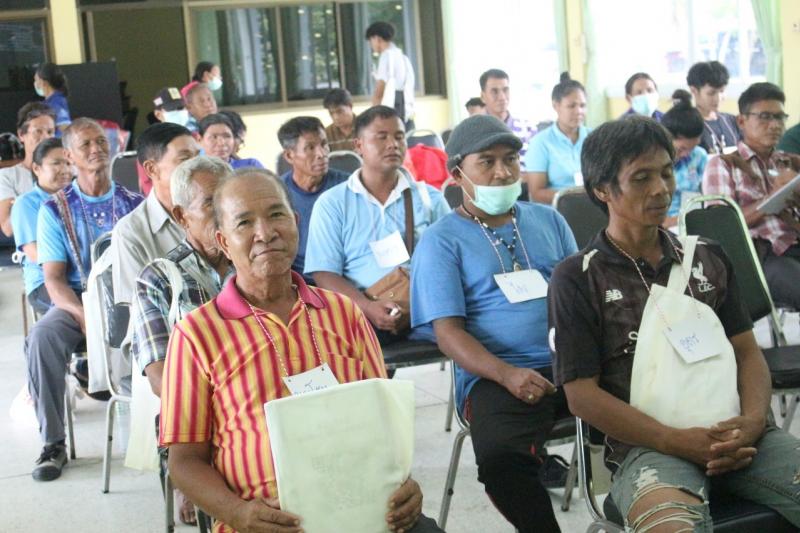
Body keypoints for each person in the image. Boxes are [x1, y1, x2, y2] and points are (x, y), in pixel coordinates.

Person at [549, 115, 800, 531]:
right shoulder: (579, 277)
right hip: (649, 448)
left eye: (666, 173)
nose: (661, 189)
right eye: (641, 178)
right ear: (602, 190)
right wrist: (674, 440)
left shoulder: (707, 257)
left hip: (739, 432)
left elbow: (746, 351)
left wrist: (755, 421)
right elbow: (581, 396)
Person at [159, 168, 444, 533]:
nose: (265, 233)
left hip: (365, 509)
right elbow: (184, 462)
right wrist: (238, 513)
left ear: (295, 222)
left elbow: (386, 426)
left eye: (276, 215)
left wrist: (404, 485)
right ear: (223, 242)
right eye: (244, 222)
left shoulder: (344, 313)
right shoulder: (197, 335)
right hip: (266, 524)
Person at [411, 114, 577, 533]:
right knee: (503, 460)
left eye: (510, 160)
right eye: (487, 162)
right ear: (457, 175)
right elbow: (448, 334)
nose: (503, 172)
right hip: (497, 375)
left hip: (573, 362)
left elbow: (581, 298)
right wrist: (507, 375)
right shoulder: (441, 240)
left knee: (653, 406)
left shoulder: (549, 221)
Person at [26, 118, 142, 481]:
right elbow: (53, 279)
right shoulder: (54, 209)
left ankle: (167, 432)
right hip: (78, 299)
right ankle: (53, 443)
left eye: (101, 142)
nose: (96, 149)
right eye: (86, 144)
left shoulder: (134, 203)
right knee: (42, 337)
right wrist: (84, 315)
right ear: (70, 156)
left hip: (128, 295)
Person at [131, 155, 232, 526]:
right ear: (181, 216)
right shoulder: (158, 279)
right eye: (210, 204)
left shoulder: (253, 264)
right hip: (197, 414)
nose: (224, 213)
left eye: (228, 200)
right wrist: (233, 399)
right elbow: (161, 379)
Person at [305, 106, 449, 346]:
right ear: (358, 145)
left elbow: (450, 260)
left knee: (472, 332)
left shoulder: (429, 198)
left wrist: (422, 306)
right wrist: (366, 307)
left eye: (399, 137)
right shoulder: (333, 203)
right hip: (362, 311)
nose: (393, 144)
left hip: (427, 309)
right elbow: (324, 272)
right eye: (381, 137)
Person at [703, 82, 800, 309]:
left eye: (780, 117)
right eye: (765, 117)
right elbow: (723, 227)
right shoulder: (723, 165)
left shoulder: (789, 162)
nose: (775, 125)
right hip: (761, 257)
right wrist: (773, 196)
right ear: (741, 121)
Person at [110, 122, 200, 319]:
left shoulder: (218, 213)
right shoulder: (131, 232)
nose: (196, 167)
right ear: (152, 169)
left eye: (197, 157)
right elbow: (141, 312)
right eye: (185, 159)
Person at [277, 116, 348, 282]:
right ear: (289, 155)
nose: (321, 154)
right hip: (295, 281)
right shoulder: (276, 193)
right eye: (310, 148)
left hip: (343, 278)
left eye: (324, 144)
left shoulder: (347, 187)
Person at [11, 138, 72, 315]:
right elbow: (37, 254)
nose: (65, 170)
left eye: (68, 163)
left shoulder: (77, 198)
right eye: (56, 163)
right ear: (36, 168)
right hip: (44, 284)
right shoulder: (26, 204)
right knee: (86, 311)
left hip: (81, 279)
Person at [525, 73, 590, 204]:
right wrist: (576, 199)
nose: (579, 111)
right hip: (559, 209)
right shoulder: (541, 143)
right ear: (556, 106)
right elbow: (536, 192)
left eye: (582, 105)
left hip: (594, 205)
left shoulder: (594, 137)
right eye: (571, 106)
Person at [0, 103, 56, 237]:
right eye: (38, 131)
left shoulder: (67, 173)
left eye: (50, 132)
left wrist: (20, 205)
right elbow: (8, 228)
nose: (45, 137)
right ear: (21, 134)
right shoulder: (7, 176)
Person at [661, 90, 708, 227]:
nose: (687, 154)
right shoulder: (653, 162)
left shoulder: (699, 156)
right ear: (666, 139)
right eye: (681, 149)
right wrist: (676, 221)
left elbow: (707, 196)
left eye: (692, 148)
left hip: (694, 221)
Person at [479, 69, 536, 170]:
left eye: (505, 90)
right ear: (483, 97)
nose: (502, 97)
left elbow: (536, 167)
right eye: (494, 91)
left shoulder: (528, 128)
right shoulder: (474, 131)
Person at [366, 21, 416, 129]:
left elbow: (379, 91)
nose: (371, 45)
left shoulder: (386, 56)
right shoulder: (403, 58)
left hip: (392, 113)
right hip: (407, 113)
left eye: (371, 41)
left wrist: (372, 116)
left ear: (377, 38)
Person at [687, 61, 742, 154]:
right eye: (711, 93)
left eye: (722, 91)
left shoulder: (731, 120)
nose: (718, 98)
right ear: (694, 90)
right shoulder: (687, 125)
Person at [198, 113, 264, 170]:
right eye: (214, 137)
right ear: (200, 140)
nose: (221, 143)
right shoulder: (195, 171)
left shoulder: (250, 166)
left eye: (227, 136)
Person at [34, 63, 71, 132]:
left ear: (44, 83)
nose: (35, 83)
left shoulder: (56, 102)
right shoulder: (49, 102)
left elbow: (65, 127)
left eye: (36, 80)